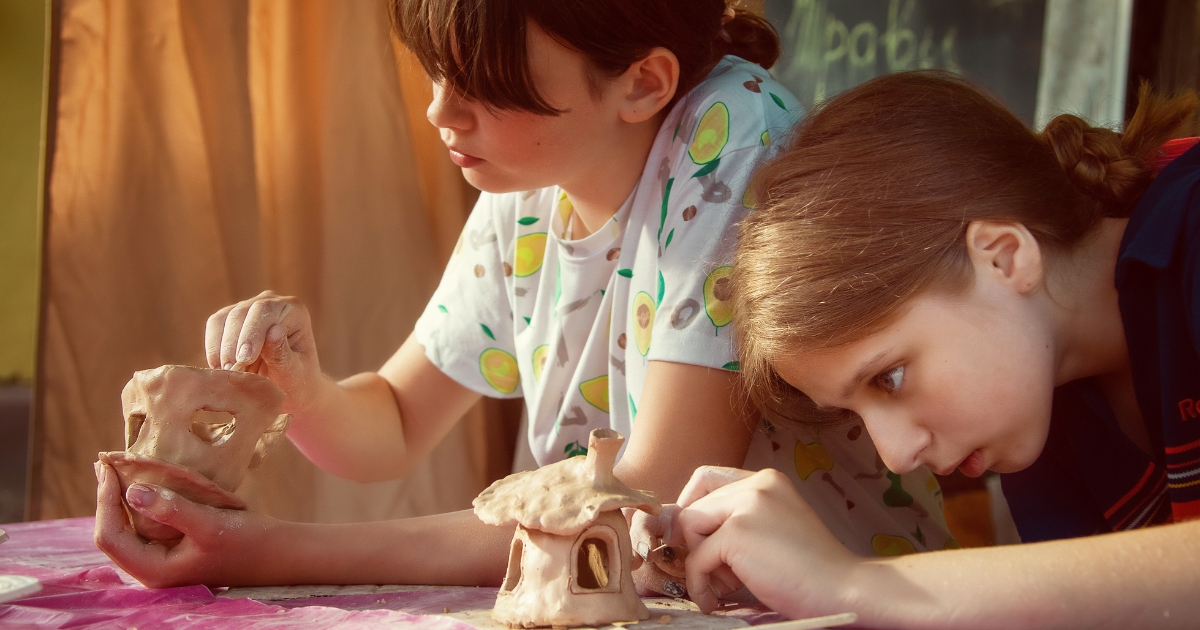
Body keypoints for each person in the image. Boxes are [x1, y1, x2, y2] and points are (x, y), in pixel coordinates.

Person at [93, 0, 949, 589]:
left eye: (485, 86)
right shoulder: (530, 183)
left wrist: (276, 552)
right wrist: (303, 389)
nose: (439, 112)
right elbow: (393, 422)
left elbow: (643, 496)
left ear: (643, 83)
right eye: (434, 73)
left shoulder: (735, 133)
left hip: (824, 601)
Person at [649, 70, 1200, 627]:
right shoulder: (1035, 419)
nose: (896, 456)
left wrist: (853, 583)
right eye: (856, 416)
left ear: (1005, 257)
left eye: (888, 377)